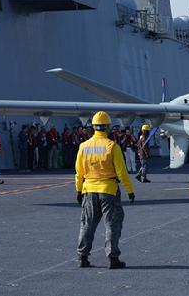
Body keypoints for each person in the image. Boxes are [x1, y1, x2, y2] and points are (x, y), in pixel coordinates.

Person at [75, 111, 135, 269]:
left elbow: (79, 172)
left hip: (88, 189)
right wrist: (130, 190)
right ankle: (112, 259)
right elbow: (122, 172)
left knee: (87, 224)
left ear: (93, 127)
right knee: (112, 225)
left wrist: (79, 190)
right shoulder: (112, 146)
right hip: (108, 189)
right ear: (108, 127)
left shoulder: (83, 146)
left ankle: (82, 257)